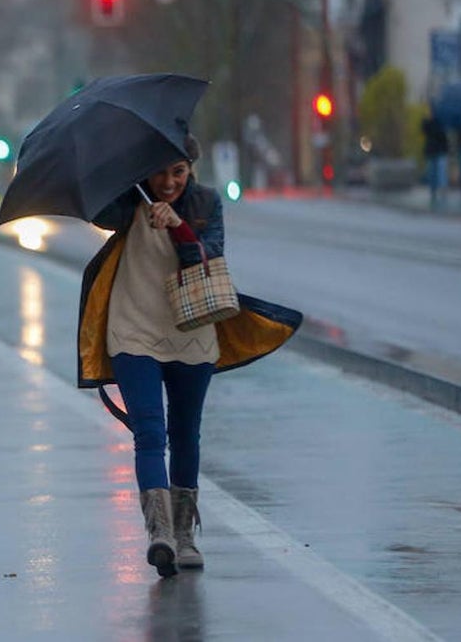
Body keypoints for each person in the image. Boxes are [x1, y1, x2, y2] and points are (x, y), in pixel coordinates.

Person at [77, 134, 299, 578]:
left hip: (192, 332)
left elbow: (208, 255)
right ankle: (159, 534)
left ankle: (184, 535)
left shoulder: (205, 203)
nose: (168, 182)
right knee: (149, 433)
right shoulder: (127, 199)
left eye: (178, 172)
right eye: (159, 172)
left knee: (185, 434)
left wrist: (178, 225)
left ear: (191, 169)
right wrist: (120, 177)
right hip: (133, 331)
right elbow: (96, 210)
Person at [421, 114, 449, 208]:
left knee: (440, 172)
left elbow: (443, 137)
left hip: (440, 151)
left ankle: (442, 190)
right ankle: (434, 190)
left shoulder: (442, 123)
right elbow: (425, 131)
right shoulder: (428, 123)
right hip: (432, 151)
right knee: (433, 173)